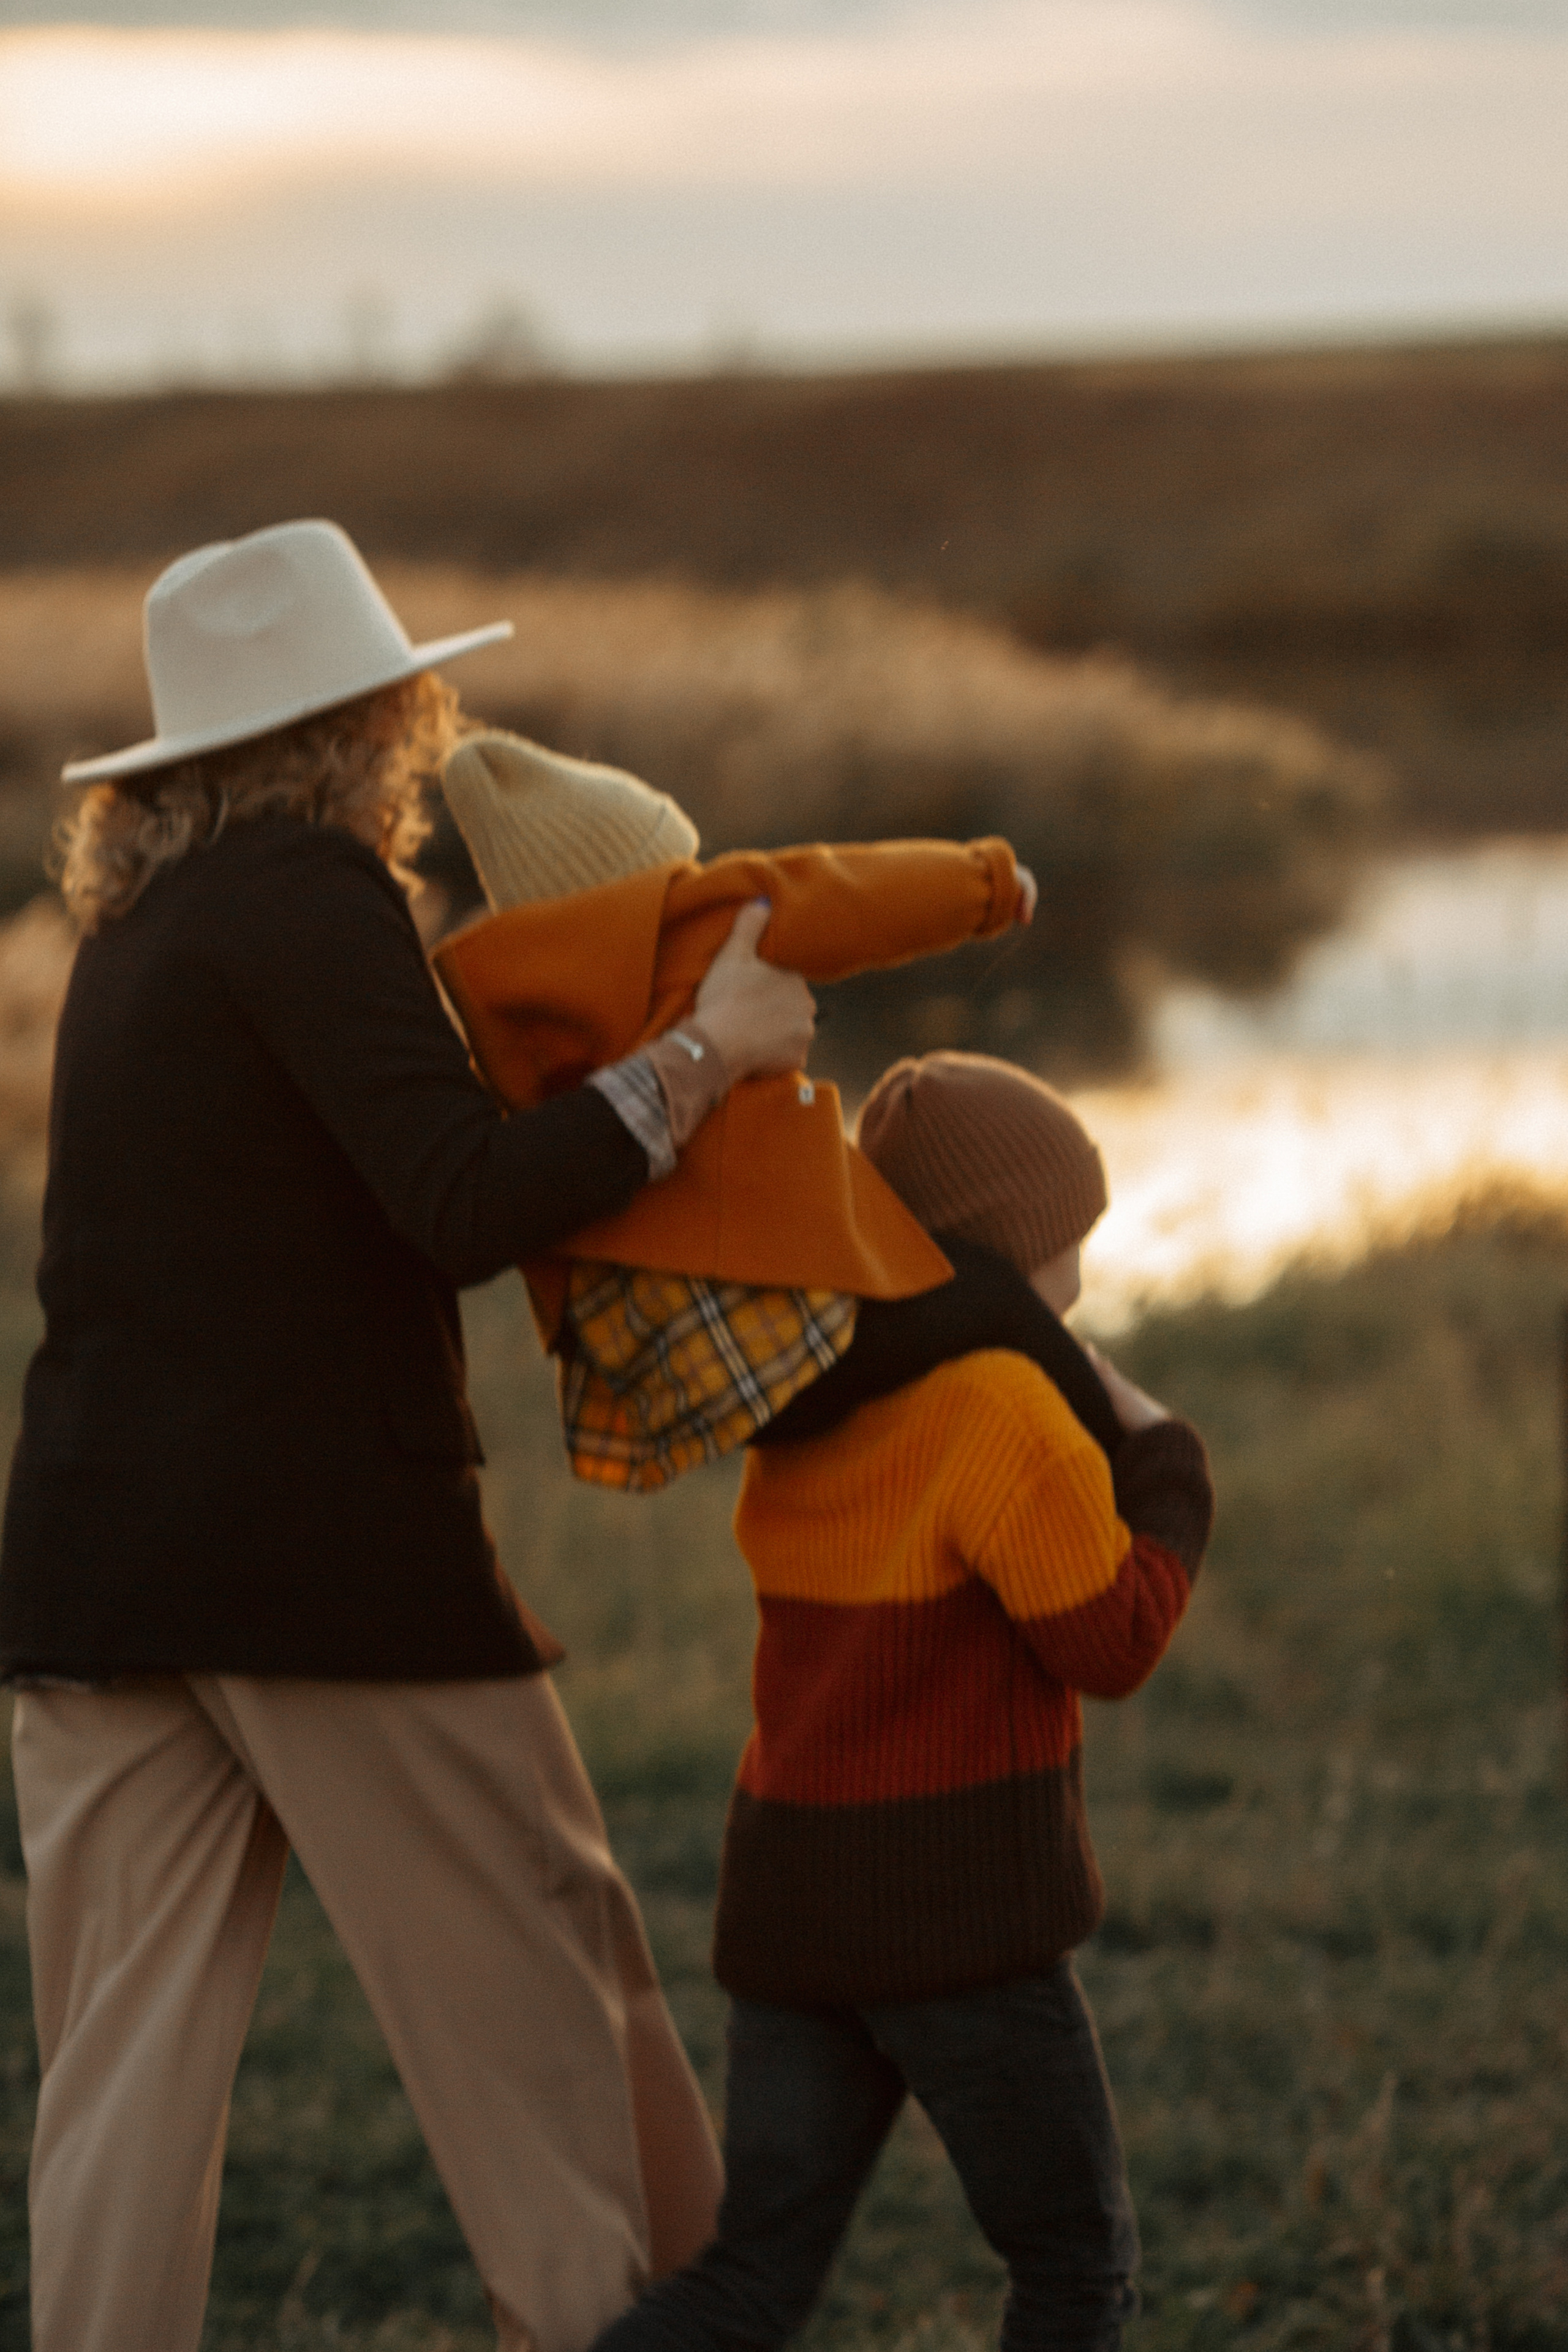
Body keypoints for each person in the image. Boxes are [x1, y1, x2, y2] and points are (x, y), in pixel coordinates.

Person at [0, 518, 821, 2352]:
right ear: (367, 716)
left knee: (121, 2085)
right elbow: (458, 1201)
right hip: (322, 1564)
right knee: (552, 1989)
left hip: (89, 1564)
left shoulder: (136, 930)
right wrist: (706, 1054)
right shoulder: (309, 890)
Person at [589, 1052, 1216, 2352]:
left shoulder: (805, 1405)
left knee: (750, 2282)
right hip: (956, 1917)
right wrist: (1167, 1464)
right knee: (1072, 2270)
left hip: (793, 1906)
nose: (1084, 1268)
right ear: (1012, 1248)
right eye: (1071, 1235)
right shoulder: (999, 1403)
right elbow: (1114, 1641)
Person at [432, 728, 1040, 1490]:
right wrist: (988, 884)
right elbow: (858, 896)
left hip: (669, 1372)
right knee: (997, 1299)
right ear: (643, 867)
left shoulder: (518, 1018)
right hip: (784, 1339)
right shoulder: (707, 915)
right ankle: (1131, 1450)